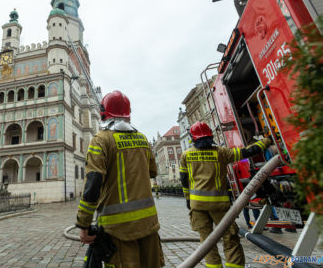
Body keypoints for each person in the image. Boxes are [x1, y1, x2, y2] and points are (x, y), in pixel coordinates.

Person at [76, 90, 165, 268]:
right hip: (148, 225)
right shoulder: (142, 139)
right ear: (128, 114)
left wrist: (83, 224)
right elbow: (152, 172)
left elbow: (93, 183)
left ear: (103, 112)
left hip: (118, 230)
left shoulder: (100, 140)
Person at [180, 122, 272, 268]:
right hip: (219, 205)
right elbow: (247, 152)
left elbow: (184, 181)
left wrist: (187, 200)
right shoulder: (221, 152)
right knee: (230, 238)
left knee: (206, 242)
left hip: (197, 206)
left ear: (192, 138)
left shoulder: (186, 155)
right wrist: (267, 140)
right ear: (210, 136)